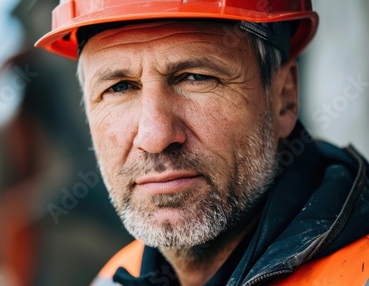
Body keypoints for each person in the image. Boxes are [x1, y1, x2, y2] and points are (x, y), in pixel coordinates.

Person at [35, 1, 369, 285]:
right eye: (120, 87)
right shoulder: (113, 278)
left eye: (196, 77)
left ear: (283, 98)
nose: (155, 137)